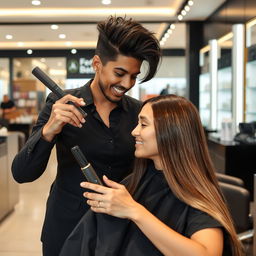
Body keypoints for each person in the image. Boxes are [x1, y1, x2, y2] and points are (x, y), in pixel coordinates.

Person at [11, 16, 161, 256]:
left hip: (120, 231)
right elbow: (22, 174)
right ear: (96, 63)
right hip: (67, 228)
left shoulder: (138, 113)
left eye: (133, 76)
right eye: (120, 73)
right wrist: (49, 129)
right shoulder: (60, 103)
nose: (127, 83)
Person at [60, 94, 243, 256]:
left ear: (171, 132)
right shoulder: (135, 182)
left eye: (143, 124)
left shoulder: (196, 193)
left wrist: (135, 211)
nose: (134, 131)